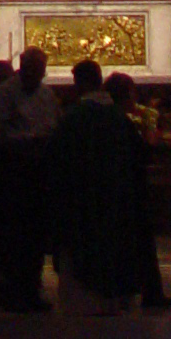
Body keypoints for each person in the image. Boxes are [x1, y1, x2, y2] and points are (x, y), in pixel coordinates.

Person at [48, 59, 150, 313]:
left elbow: (57, 158)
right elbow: (137, 157)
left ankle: (83, 301)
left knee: (84, 248)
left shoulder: (72, 118)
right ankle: (114, 297)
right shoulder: (119, 118)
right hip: (115, 195)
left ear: (80, 83)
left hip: (81, 198)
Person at [0, 46, 59, 310]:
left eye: (40, 72)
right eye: (32, 71)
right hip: (14, 170)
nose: (36, 76)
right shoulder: (6, 93)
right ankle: (12, 290)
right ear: (22, 67)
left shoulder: (47, 94)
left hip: (39, 171)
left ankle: (32, 287)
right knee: (14, 233)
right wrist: (28, 140)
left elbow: (54, 124)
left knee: (36, 234)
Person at [106, 72, 171, 309]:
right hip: (131, 184)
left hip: (119, 185)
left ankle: (135, 290)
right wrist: (151, 140)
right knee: (140, 239)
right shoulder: (121, 120)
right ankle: (146, 292)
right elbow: (141, 152)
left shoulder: (111, 118)